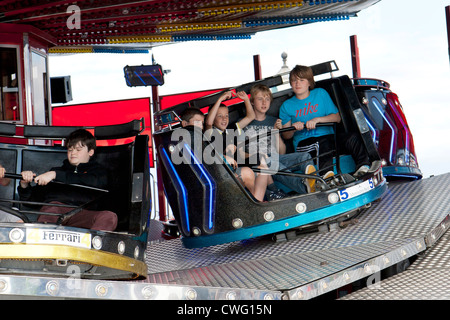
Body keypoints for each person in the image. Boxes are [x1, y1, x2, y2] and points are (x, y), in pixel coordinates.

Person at [279, 65, 371, 183]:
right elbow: (287, 136)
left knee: (352, 137)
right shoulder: (286, 106)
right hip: (305, 143)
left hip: (328, 138)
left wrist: (317, 120)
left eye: (301, 80)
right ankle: (327, 178)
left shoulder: (320, 94)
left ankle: (363, 168)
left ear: (309, 82)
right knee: (321, 143)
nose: (297, 83)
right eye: (294, 80)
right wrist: (294, 128)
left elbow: (337, 118)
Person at [18, 129, 118, 231]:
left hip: (82, 214)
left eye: (78, 150)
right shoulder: (55, 172)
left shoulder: (98, 172)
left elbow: (94, 182)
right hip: (54, 211)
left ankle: (90, 244)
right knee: (51, 209)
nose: (73, 153)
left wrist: (56, 175)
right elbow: (31, 202)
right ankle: (45, 241)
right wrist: (24, 185)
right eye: (70, 149)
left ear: (91, 152)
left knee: (109, 216)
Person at [239, 84, 316, 195]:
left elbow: (281, 152)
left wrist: (275, 131)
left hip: (275, 158)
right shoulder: (243, 122)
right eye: (260, 99)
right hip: (258, 163)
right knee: (272, 162)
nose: (264, 103)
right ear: (252, 102)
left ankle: (316, 183)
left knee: (305, 156)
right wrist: (258, 155)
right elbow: (241, 155)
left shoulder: (273, 121)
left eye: (267, 99)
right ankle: (304, 187)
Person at [204, 90, 272, 202]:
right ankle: (257, 201)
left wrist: (246, 99)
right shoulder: (210, 132)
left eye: (226, 115)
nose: (224, 119)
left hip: (236, 163)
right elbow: (208, 123)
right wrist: (220, 99)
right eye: (219, 116)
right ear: (213, 117)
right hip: (223, 169)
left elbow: (251, 116)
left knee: (263, 159)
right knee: (247, 172)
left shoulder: (231, 130)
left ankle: (267, 195)